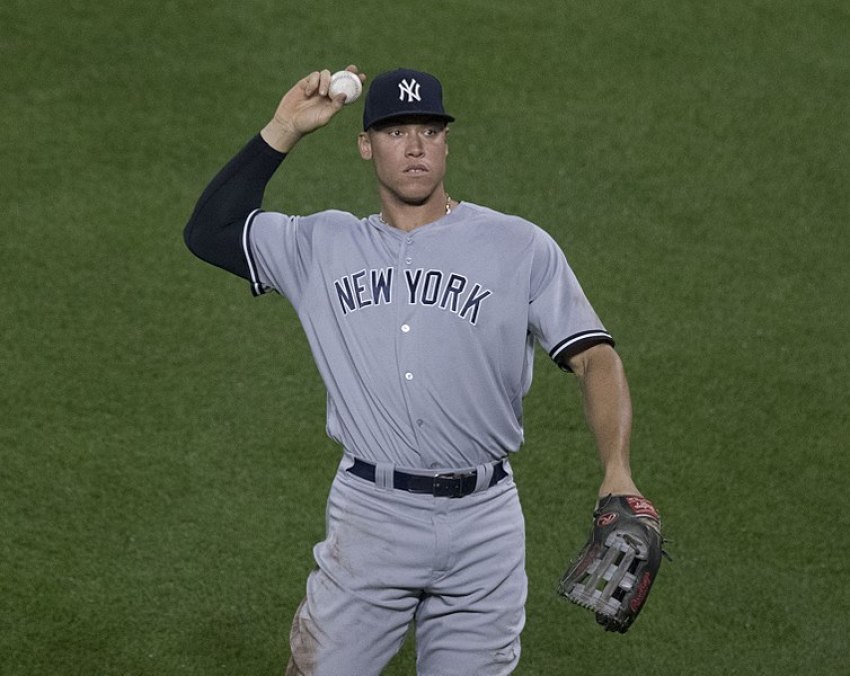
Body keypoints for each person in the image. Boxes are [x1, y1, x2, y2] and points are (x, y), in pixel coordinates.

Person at [184, 65, 644, 676]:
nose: (416, 144)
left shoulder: (519, 246)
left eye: (429, 129)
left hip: (486, 526)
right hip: (372, 519)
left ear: (446, 144)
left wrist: (618, 472)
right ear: (366, 145)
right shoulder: (319, 245)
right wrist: (283, 128)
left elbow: (595, 358)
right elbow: (208, 231)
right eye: (397, 131)